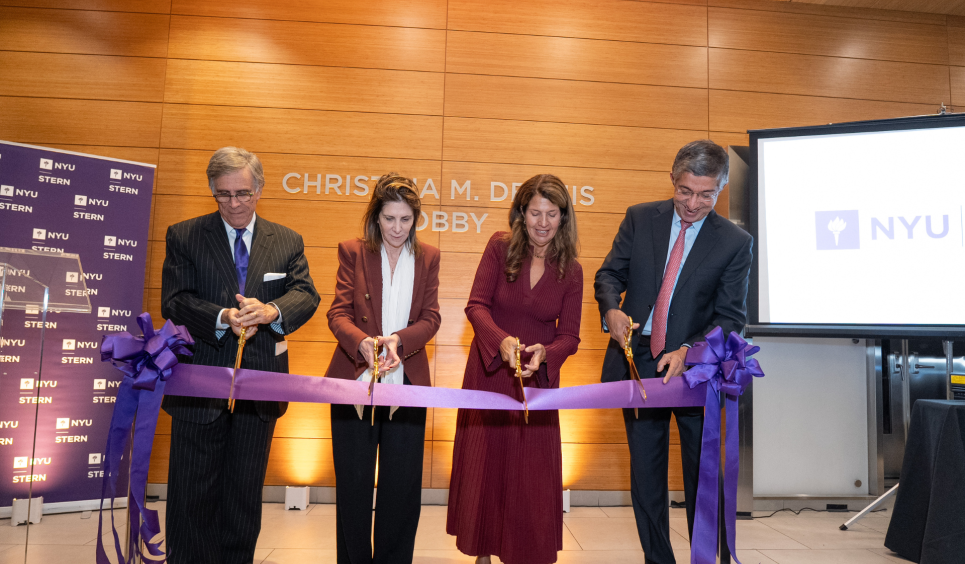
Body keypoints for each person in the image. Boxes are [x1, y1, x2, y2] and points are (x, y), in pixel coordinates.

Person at [594, 140, 753, 564]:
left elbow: (731, 316)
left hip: (696, 371)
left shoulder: (735, 242)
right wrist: (611, 309)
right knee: (647, 474)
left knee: (703, 476)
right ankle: (657, 560)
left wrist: (690, 349)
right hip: (640, 362)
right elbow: (610, 273)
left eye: (706, 194)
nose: (693, 203)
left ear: (720, 189)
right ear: (672, 178)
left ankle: (710, 557)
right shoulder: (641, 217)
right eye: (685, 191)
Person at [160, 146, 320, 564]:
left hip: (259, 389)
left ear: (260, 189)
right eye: (223, 194)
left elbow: (306, 294)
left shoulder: (286, 240)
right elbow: (175, 301)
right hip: (199, 389)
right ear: (212, 191)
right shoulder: (184, 235)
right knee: (191, 497)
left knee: (243, 499)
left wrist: (271, 311)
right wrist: (222, 316)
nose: (234, 204)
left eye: (243, 194)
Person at [447, 174, 583, 564]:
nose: (543, 223)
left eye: (552, 214)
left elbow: (570, 336)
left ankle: (524, 553)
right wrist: (500, 339)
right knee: (486, 466)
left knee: (531, 476)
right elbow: (476, 305)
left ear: (563, 218)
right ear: (521, 214)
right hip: (489, 373)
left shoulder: (571, 270)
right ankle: (483, 553)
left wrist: (547, 351)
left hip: (536, 386)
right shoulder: (499, 247)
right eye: (535, 213)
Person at [325, 173, 441, 564]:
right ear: (376, 217)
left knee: (401, 489)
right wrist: (362, 343)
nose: (397, 228)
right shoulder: (353, 251)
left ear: (415, 219)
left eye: (406, 219)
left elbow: (431, 318)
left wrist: (399, 341)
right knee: (354, 487)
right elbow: (338, 313)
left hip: (407, 384)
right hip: (353, 383)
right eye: (389, 219)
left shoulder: (428, 257)